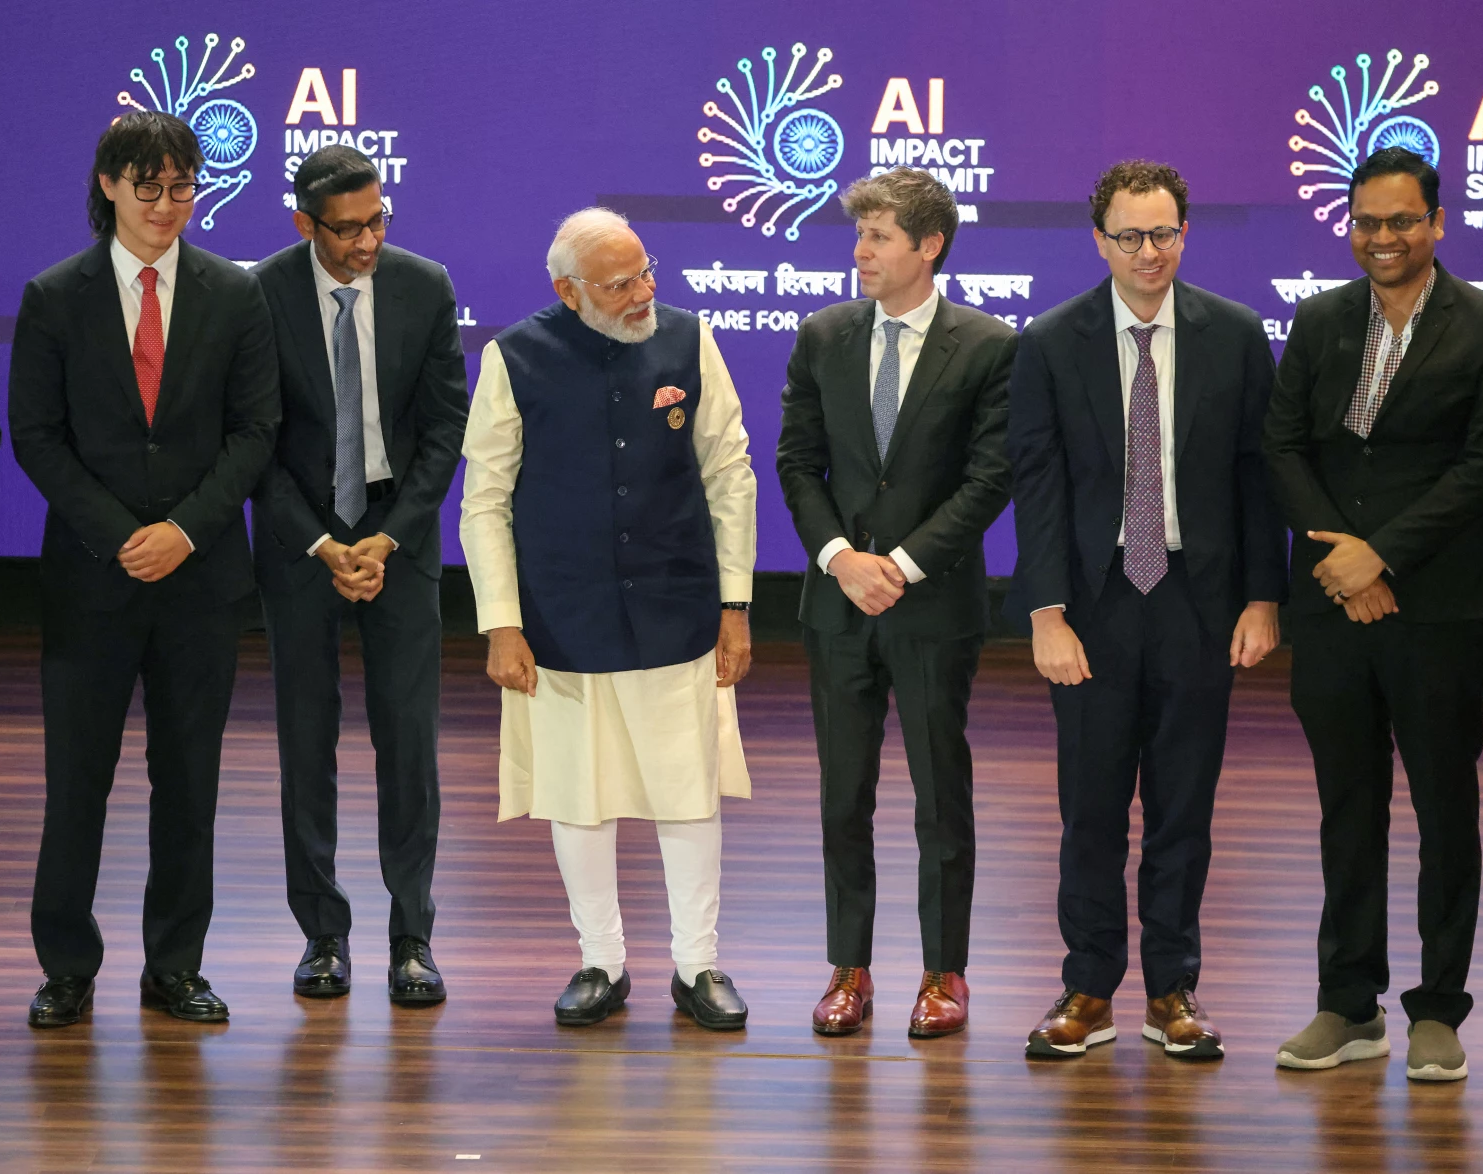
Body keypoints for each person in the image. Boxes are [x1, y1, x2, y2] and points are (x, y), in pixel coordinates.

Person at [1006, 160, 1285, 1060]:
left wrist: (1263, 594)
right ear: (1099, 240)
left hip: (1198, 604)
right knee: (1090, 807)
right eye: (1129, 234)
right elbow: (1039, 484)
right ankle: (1088, 986)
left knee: (1183, 808)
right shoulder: (1051, 340)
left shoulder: (1237, 336)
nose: (1148, 250)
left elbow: (1256, 476)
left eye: (1163, 232)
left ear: (1184, 233)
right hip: (1092, 605)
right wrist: (1044, 612)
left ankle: (1174, 988)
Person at [9, 111, 280, 1028]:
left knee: (189, 780)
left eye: (184, 188)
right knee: (76, 780)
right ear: (109, 187)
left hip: (200, 581)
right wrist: (123, 533)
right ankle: (66, 967)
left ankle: (175, 964)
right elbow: (37, 438)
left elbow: (255, 432)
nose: (169, 206)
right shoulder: (55, 295)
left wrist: (185, 531)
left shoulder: (234, 294)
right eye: (150, 187)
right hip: (92, 577)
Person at [460, 207, 757, 1029]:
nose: (642, 293)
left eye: (646, 273)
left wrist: (737, 604)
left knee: (686, 790)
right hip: (562, 611)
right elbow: (484, 501)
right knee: (576, 793)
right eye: (619, 283)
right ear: (568, 289)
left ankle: (698, 966)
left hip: (678, 602)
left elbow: (729, 474)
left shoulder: (690, 340)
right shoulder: (513, 357)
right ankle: (600, 960)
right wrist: (501, 623)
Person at [1265, 147, 1483, 1082]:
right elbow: (1283, 445)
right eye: (1366, 222)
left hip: (1439, 606)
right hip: (1335, 604)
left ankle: (1439, 1010)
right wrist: (1343, 558)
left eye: (1401, 221)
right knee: (1348, 807)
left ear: (1438, 224)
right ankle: (1349, 1003)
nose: (1382, 238)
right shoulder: (1320, 317)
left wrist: (1388, 553)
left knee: (1445, 809)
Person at [777, 167, 1016, 1039]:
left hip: (930, 608)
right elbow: (798, 463)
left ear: (929, 245)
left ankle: (943, 973)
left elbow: (991, 478)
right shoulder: (823, 334)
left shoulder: (988, 345)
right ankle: (850, 966)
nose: (861, 252)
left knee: (938, 795)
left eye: (878, 237)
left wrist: (902, 565)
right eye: (861, 236)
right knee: (844, 795)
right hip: (837, 605)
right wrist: (842, 559)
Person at [251, 146, 467, 1003]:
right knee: (307, 740)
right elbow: (251, 438)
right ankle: (322, 937)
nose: (367, 242)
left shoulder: (425, 286)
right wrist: (319, 542)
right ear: (305, 223)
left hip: (398, 535)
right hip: (301, 538)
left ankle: (412, 935)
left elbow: (446, 426)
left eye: (378, 220)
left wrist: (390, 537)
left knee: (407, 740)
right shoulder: (261, 292)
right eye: (347, 230)